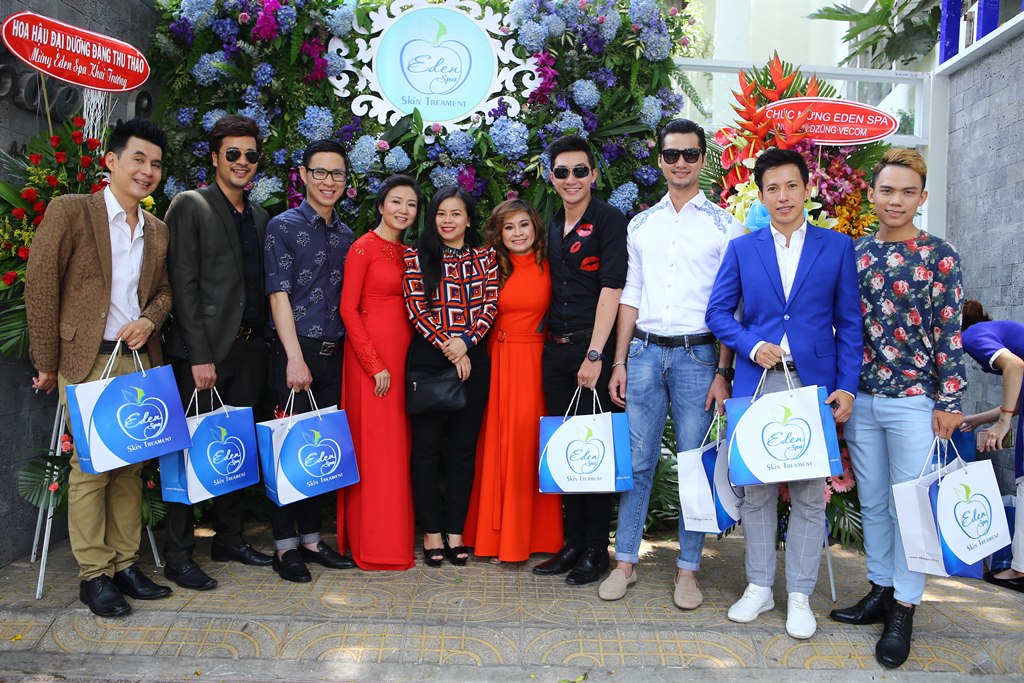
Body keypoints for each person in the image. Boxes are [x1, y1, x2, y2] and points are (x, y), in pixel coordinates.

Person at [706, 147, 861, 640]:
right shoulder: (743, 249)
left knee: (811, 494)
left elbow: (849, 324)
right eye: (772, 188)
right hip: (760, 381)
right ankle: (759, 587)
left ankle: (799, 594)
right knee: (758, 491)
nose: (783, 196)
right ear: (761, 195)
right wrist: (752, 346)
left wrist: (847, 388)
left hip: (814, 385)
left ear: (807, 188)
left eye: (791, 185)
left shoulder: (837, 247)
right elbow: (718, 313)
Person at [25, 118, 174, 617]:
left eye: (156, 164)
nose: (147, 171)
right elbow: (41, 284)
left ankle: (125, 564)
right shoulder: (72, 211)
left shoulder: (157, 229)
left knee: (131, 464)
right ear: (111, 161)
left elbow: (163, 292)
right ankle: (94, 575)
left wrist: (149, 320)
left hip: (136, 359)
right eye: (138, 159)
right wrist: (47, 362)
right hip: (86, 359)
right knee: (92, 467)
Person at [828, 148, 966, 668]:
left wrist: (950, 399)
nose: (896, 200)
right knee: (875, 504)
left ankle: (905, 606)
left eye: (908, 192)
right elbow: (843, 326)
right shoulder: (856, 254)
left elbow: (949, 332)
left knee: (910, 506)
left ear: (922, 197)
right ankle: (881, 589)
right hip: (862, 399)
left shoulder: (939, 255)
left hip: (915, 402)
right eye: (887, 190)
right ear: (872, 194)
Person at [599, 119, 744, 608]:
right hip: (642, 353)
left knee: (692, 463)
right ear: (659, 160)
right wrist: (619, 360)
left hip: (698, 356)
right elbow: (631, 293)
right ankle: (625, 562)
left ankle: (688, 569)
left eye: (690, 154)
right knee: (638, 462)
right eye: (671, 154)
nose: (680, 163)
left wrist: (723, 371)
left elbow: (732, 307)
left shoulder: (726, 226)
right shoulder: (641, 224)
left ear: (703, 158)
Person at [161, 114, 273, 591]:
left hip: (250, 350)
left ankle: (229, 538)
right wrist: (199, 354)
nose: (242, 161)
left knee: (234, 451)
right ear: (214, 157)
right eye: (233, 153)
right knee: (187, 451)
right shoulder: (191, 204)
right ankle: (178, 555)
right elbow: (182, 283)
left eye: (250, 154)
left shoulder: (260, 217)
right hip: (204, 354)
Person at [532, 135, 627, 586]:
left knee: (594, 451)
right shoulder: (552, 224)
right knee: (567, 448)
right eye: (562, 172)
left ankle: (595, 550)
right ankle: (572, 543)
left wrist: (595, 355)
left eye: (580, 171)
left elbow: (612, 288)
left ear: (593, 174)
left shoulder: (608, 220)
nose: (571, 179)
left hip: (591, 349)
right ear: (552, 178)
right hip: (554, 349)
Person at [263, 139, 356, 582]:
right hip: (294, 351)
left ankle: (313, 541)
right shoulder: (282, 226)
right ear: (302, 175)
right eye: (320, 172)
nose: (328, 181)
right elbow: (278, 294)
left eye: (337, 173)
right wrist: (294, 358)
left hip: (334, 356)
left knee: (318, 449)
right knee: (287, 446)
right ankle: (285, 547)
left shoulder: (347, 235)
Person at [463, 199, 564, 563]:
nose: (518, 233)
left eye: (524, 225)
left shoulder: (550, 265)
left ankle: (530, 537)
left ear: (535, 228)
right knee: (494, 446)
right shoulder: (490, 266)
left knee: (527, 445)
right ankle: (493, 538)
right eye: (509, 227)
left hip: (534, 363)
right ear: (499, 233)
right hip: (496, 360)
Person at [403, 185, 498, 567]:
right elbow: (415, 308)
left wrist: (466, 343)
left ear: (469, 220)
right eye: (441, 213)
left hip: (473, 360)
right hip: (429, 361)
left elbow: (490, 304)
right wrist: (450, 346)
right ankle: (430, 531)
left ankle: (455, 531)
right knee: (426, 451)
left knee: (462, 451)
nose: (448, 220)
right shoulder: (416, 256)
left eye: (456, 213)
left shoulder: (485, 257)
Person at [337, 175, 420, 571]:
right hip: (371, 362)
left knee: (397, 449)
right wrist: (374, 364)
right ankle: (371, 543)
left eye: (411, 204)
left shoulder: (410, 254)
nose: (403, 210)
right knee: (373, 450)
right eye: (396, 202)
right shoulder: (362, 248)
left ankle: (395, 539)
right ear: (381, 206)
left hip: (404, 359)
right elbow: (347, 309)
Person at [960, 300, 1023, 591]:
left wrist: (1003, 422)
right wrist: (978, 420)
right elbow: (1017, 402)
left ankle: (1019, 570)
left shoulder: (971, 335)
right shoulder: (998, 331)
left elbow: (1014, 365)